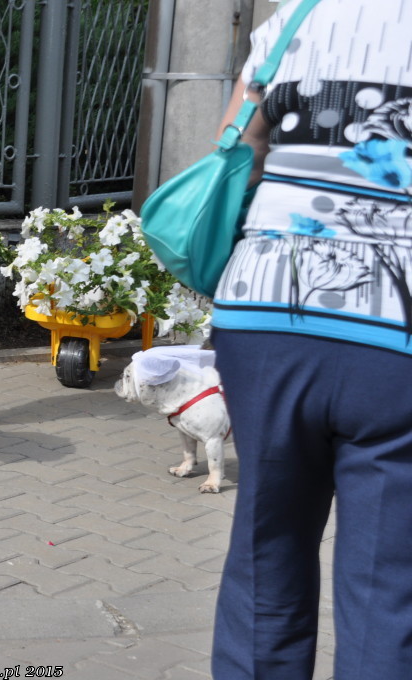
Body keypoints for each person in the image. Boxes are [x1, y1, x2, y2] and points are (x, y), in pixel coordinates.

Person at [208, 1, 412, 677]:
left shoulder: (294, 19)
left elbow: (238, 152)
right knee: (389, 582)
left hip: (266, 313)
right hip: (397, 332)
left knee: (265, 548)